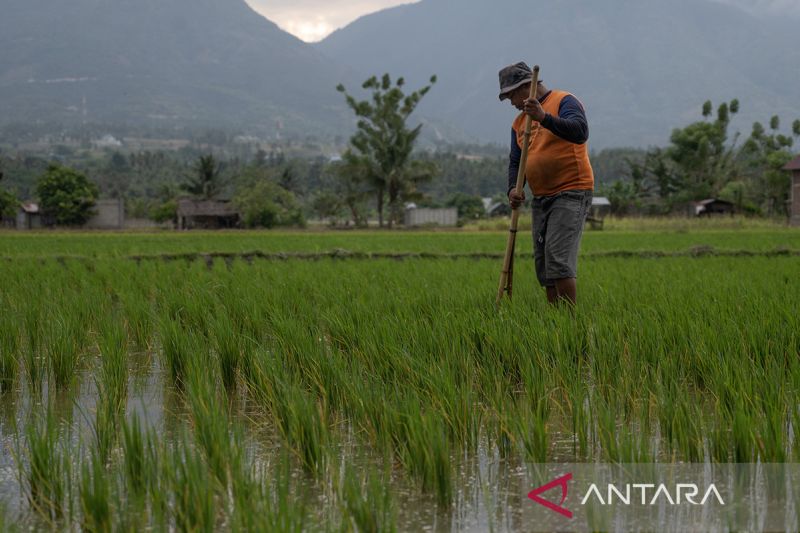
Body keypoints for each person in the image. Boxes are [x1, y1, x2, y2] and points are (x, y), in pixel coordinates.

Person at [498, 61, 594, 306]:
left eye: (512, 95)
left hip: (570, 191)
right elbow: (515, 161)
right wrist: (513, 189)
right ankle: (556, 323)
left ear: (527, 86)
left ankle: (568, 324)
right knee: (545, 265)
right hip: (542, 197)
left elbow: (580, 131)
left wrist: (543, 117)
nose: (512, 103)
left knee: (558, 259)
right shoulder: (519, 124)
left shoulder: (564, 101)